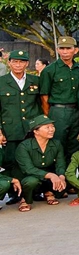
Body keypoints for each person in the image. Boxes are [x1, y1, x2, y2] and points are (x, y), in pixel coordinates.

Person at [0, 50, 42, 197]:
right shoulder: (2, 82)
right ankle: (14, 194)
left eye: (22, 61)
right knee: (11, 161)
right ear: (9, 63)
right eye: (15, 61)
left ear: (27, 64)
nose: (18, 65)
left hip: (31, 128)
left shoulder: (35, 81)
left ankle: (34, 192)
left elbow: (41, 104)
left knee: (33, 160)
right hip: (10, 129)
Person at [39, 36, 79, 158]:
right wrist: (48, 118)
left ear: (75, 50)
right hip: (58, 111)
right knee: (57, 145)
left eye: (68, 48)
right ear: (58, 50)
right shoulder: (50, 70)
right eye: (62, 48)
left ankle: (70, 174)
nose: (65, 52)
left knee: (75, 145)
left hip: (76, 112)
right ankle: (57, 175)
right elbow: (44, 96)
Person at [14, 114, 65, 211]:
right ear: (36, 131)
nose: (52, 129)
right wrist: (51, 175)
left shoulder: (56, 144)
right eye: (47, 127)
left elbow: (60, 164)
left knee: (62, 181)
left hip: (47, 177)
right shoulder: (24, 146)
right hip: (28, 176)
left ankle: (48, 192)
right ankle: (25, 199)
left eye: (52, 126)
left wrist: (61, 176)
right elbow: (28, 169)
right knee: (31, 181)